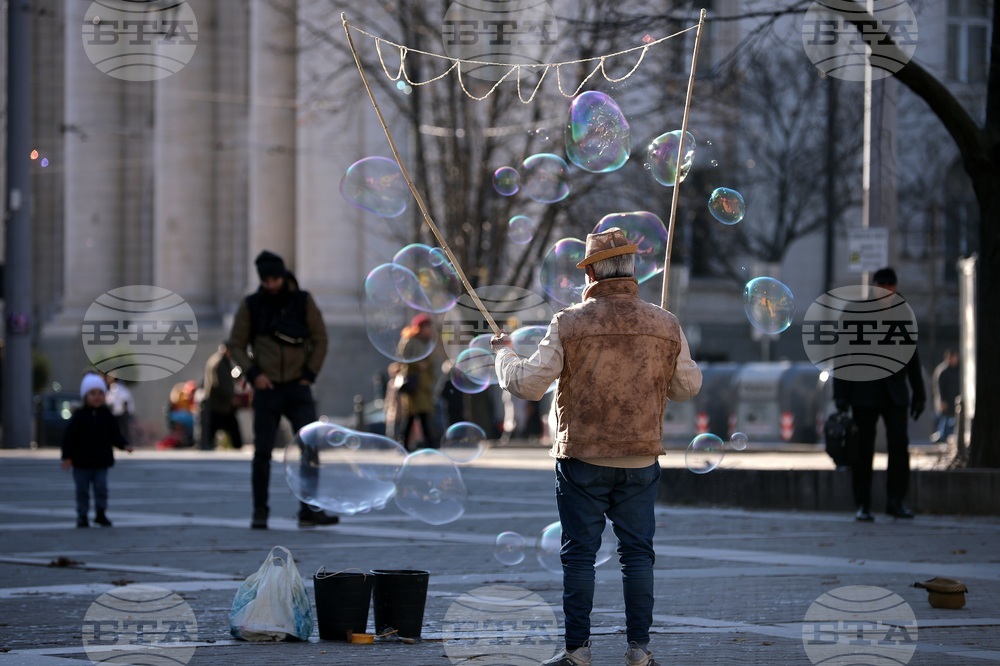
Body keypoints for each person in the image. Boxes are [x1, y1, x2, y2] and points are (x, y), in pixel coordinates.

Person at [491, 228, 702, 666]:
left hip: (582, 457)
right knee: (638, 555)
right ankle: (640, 652)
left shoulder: (570, 321)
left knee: (580, 557)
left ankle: (578, 652)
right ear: (632, 270)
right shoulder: (664, 322)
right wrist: (666, 349)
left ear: (589, 272)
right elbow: (687, 388)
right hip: (641, 457)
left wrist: (504, 355)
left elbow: (529, 386)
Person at [228, 250, 338, 529]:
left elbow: (320, 338)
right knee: (262, 452)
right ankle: (260, 511)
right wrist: (254, 374)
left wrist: (309, 374)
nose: (271, 285)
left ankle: (310, 510)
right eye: (266, 280)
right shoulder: (252, 305)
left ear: (283, 275)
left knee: (310, 448)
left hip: (297, 386)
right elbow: (236, 344)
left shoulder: (302, 301)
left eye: (275, 278)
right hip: (267, 388)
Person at [834, 267, 926, 522]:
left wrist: (919, 394)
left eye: (890, 287)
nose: (886, 292)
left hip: (895, 393)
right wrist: (840, 396)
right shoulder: (853, 313)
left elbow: (912, 358)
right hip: (863, 393)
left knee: (899, 446)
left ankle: (895, 501)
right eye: (881, 286)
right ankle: (863, 503)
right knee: (863, 450)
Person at [60, 373, 132, 528]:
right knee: (82, 491)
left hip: (101, 461)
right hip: (81, 463)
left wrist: (124, 445)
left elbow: (115, 435)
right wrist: (67, 457)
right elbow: (69, 438)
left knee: (101, 489)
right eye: (92, 394)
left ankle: (101, 513)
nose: (97, 397)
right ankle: (82, 516)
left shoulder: (107, 415)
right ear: (85, 396)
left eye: (100, 393)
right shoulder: (79, 416)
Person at [395, 313, 439, 451]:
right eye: (426, 327)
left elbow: (431, 364)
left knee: (418, 415)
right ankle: (421, 444)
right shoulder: (410, 340)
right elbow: (404, 359)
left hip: (424, 384)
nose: (429, 330)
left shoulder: (426, 342)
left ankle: (406, 444)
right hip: (414, 384)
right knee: (416, 415)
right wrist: (418, 365)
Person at [202, 343, 244, 450]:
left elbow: (230, 376)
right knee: (217, 430)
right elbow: (219, 384)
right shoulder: (219, 362)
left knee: (214, 432)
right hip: (218, 404)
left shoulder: (223, 362)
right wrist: (232, 396)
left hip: (221, 404)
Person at [931, 349, 960, 443]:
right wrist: (942, 400)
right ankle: (941, 437)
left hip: (954, 401)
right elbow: (939, 388)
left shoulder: (957, 370)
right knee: (944, 420)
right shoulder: (942, 371)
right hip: (945, 401)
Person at [104, 375, 134, 443]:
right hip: (120, 412)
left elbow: (122, 401)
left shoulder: (116, 388)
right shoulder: (121, 387)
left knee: (120, 430)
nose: (108, 379)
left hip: (119, 413)